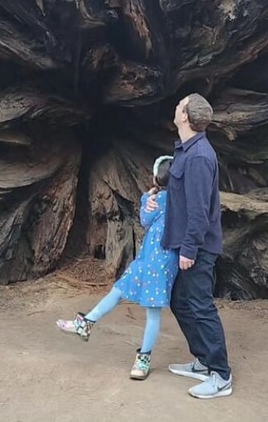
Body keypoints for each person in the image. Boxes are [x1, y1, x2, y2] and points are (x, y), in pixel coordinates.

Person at [56, 155, 179, 380]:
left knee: (145, 307)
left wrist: (145, 198)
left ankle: (143, 359)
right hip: (153, 259)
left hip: (156, 260)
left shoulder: (159, 200)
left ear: (155, 178)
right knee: (122, 292)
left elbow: (145, 219)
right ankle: (86, 323)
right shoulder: (179, 198)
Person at [158, 93, 233, 399]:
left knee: (201, 306)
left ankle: (221, 374)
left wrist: (189, 249)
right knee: (179, 300)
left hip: (198, 248)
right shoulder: (188, 151)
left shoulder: (200, 156)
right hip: (186, 244)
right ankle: (203, 361)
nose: (176, 107)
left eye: (180, 105)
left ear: (186, 116)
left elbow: (200, 211)